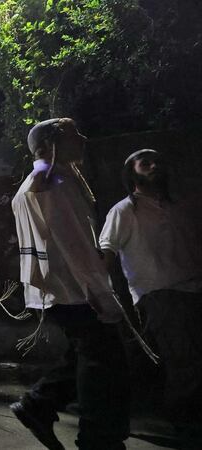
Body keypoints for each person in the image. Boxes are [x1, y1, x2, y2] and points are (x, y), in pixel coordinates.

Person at [9, 118, 129, 450]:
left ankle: (39, 403)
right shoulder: (54, 182)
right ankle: (98, 438)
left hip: (60, 290)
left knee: (87, 355)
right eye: (74, 133)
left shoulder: (35, 182)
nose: (83, 137)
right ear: (52, 142)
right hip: (76, 290)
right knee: (104, 364)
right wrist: (101, 293)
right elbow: (74, 243)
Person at [99, 149, 202, 433]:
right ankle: (182, 425)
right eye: (145, 163)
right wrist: (98, 290)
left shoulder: (178, 204)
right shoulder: (124, 210)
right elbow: (106, 250)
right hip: (159, 293)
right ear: (131, 172)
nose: (154, 165)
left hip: (194, 289)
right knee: (184, 361)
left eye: (157, 161)